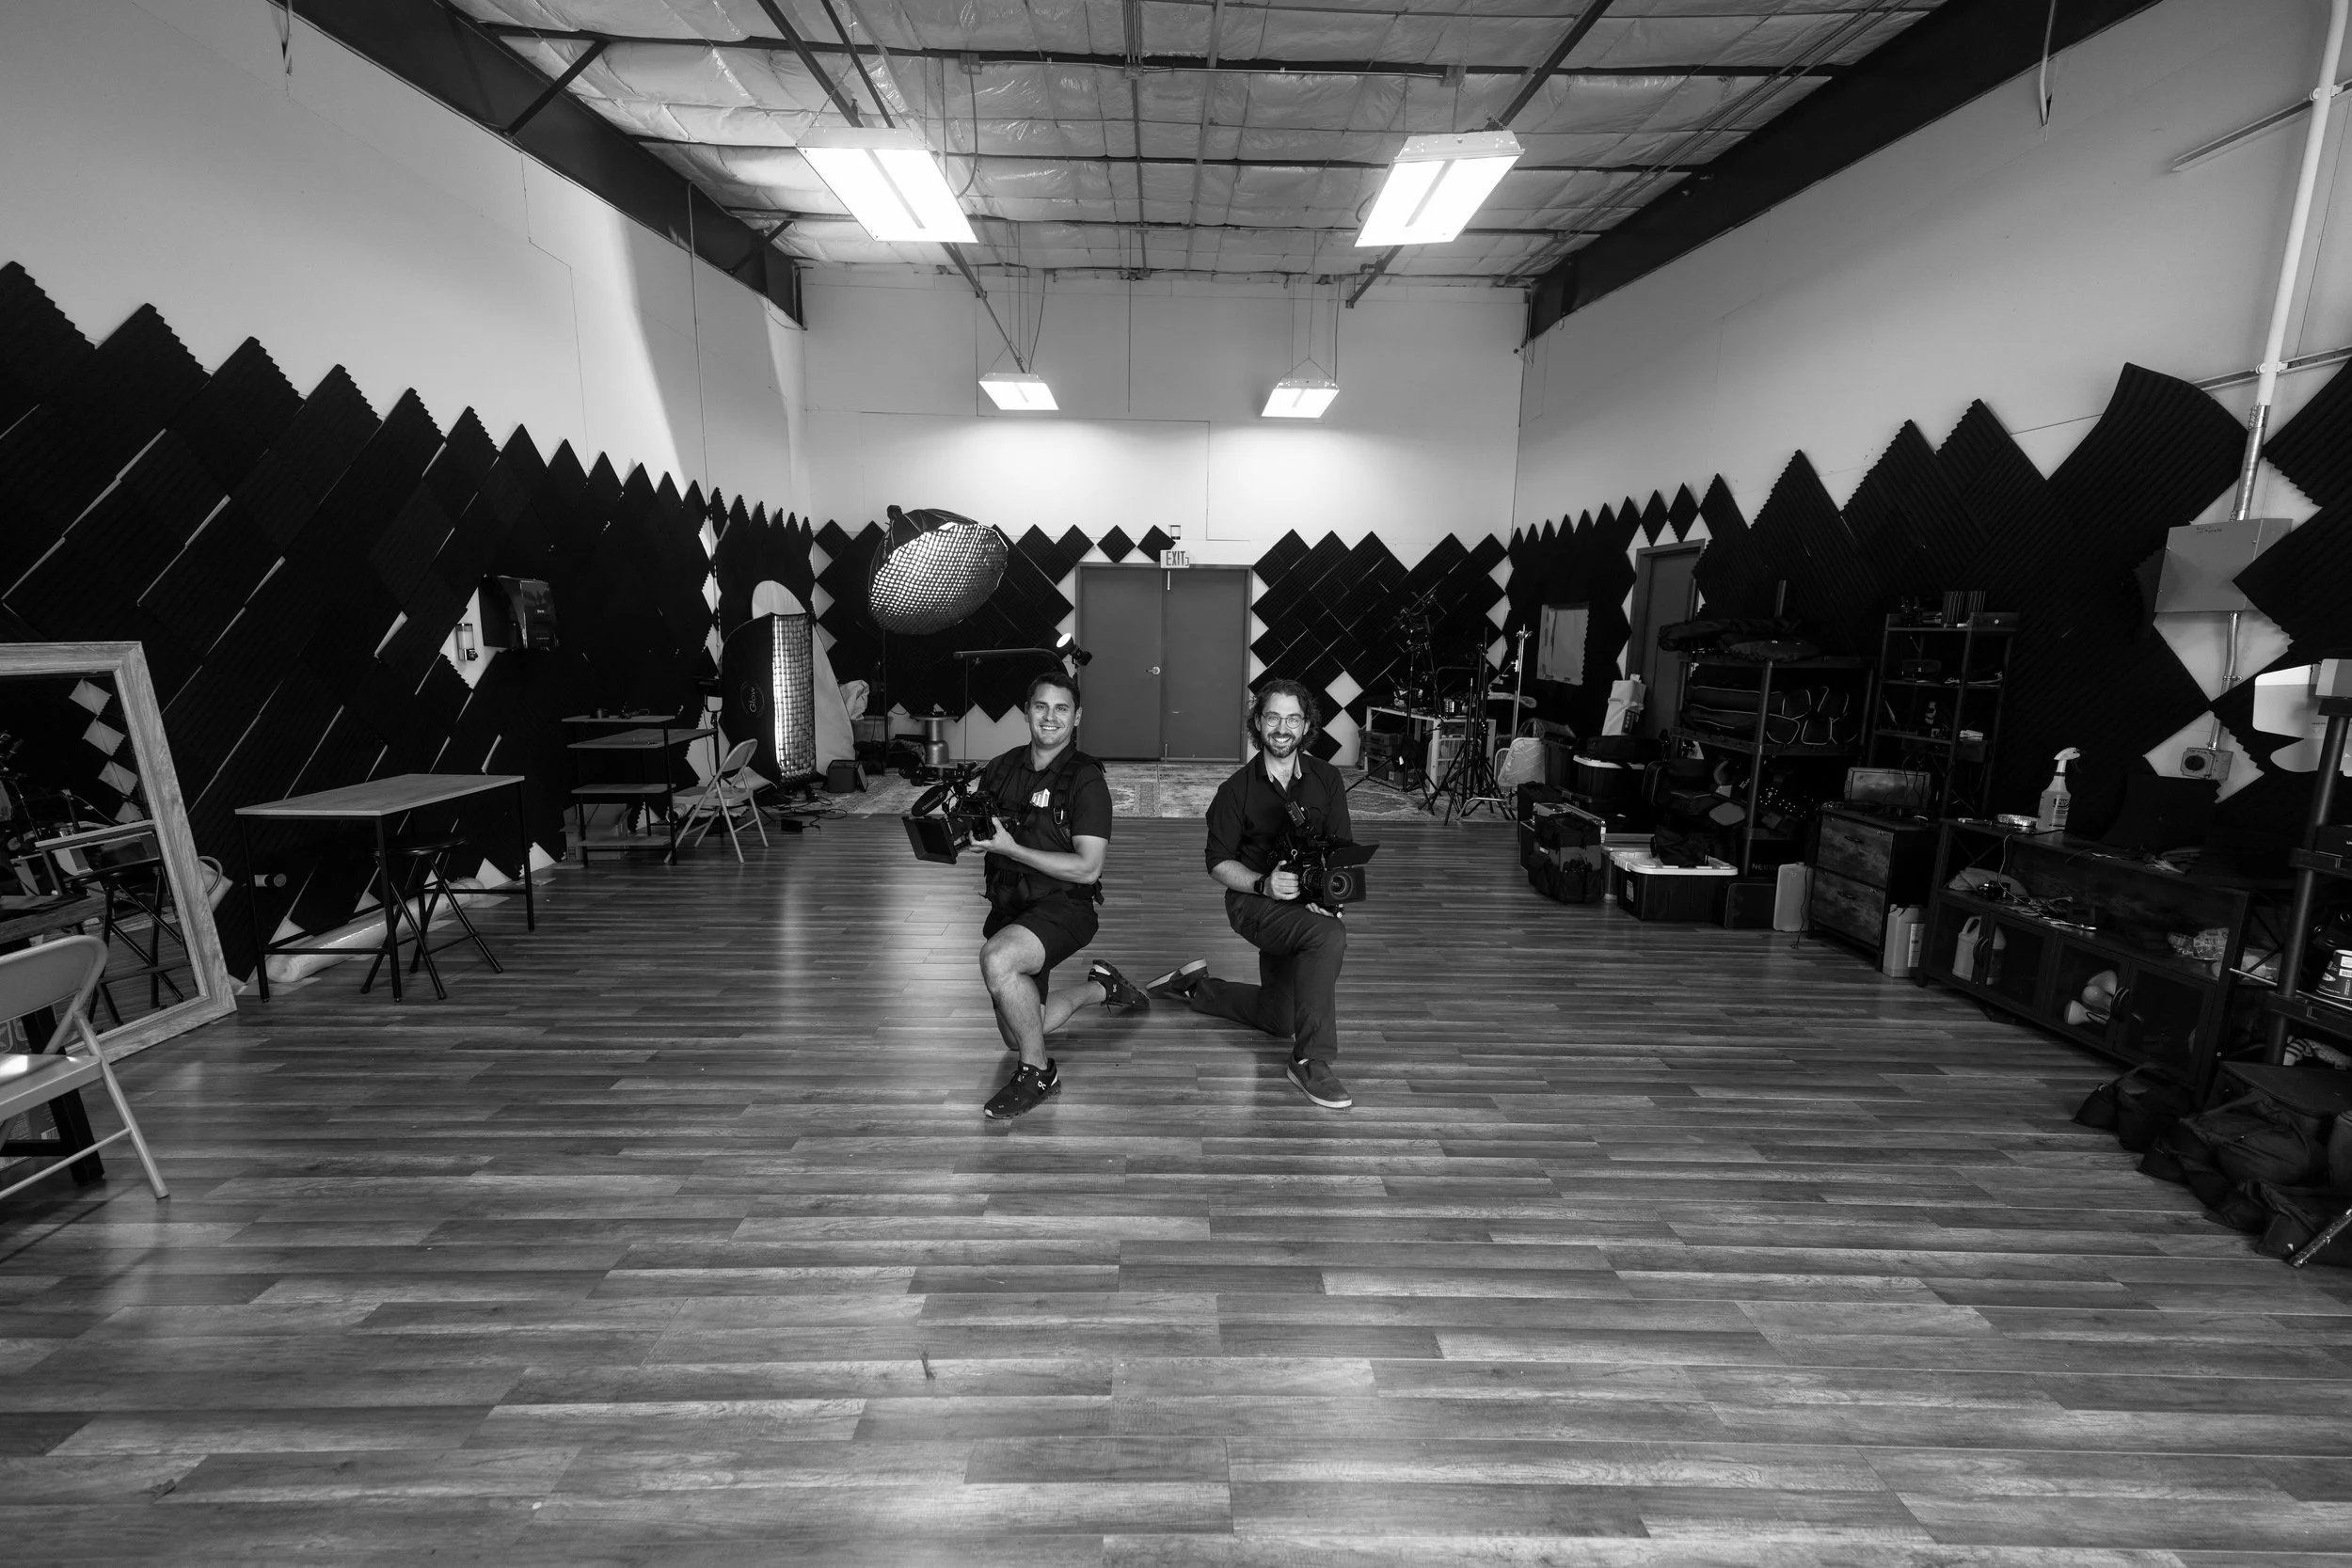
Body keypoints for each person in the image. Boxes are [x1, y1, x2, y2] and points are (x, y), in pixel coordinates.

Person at [1149, 678, 1357, 1109]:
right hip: (1253, 904)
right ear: (1258, 723)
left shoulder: (1328, 779)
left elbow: (1342, 850)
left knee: (1279, 1018)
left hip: (1306, 904)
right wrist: (1264, 883)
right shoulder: (1234, 791)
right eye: (1274, 717)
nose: (1283, 728)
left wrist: (1329, 898)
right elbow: (1217, 862)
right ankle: (1310, 1061)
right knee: (1327, 936)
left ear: (1306, 726)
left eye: (1293, 719)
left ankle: (1195, 988)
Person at [975, 670, 1151, 1120]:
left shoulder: (1086, 780)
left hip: (1065, 906)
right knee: (1019, 1030)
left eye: (1062, 708)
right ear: (1027, 711)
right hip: (1010, 905)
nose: (1049, 717)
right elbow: (982, 835)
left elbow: (1089, 867)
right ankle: (1103, 987)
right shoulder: (1000, 768)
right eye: (1041, 706)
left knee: (999, 960)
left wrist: (1013, 848)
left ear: (1077, 717)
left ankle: (1039, 1073)